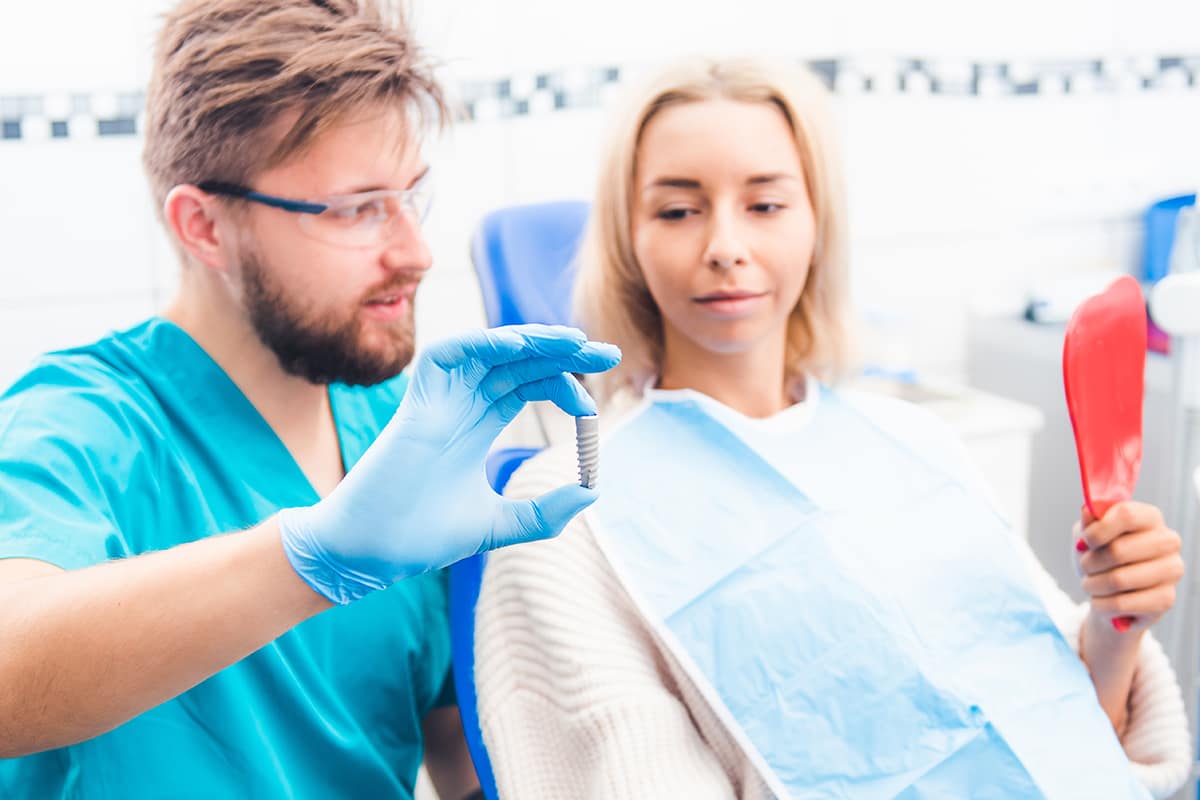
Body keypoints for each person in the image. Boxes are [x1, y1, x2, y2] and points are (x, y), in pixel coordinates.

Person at [475, 57, 1191, 798]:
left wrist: (1116, 624)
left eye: (766, 205)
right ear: (630, 241)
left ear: (819, 224)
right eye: (678, 210)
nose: (725, 245)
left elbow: (1076, 745)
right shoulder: (564, 513)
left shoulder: (916, 445)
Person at [0, 2, 619, 798]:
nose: (416, 253)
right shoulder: (79, 423)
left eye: (412, 197)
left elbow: (466, 765)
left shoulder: (400, 437)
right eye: (358, 210)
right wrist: (311, 558)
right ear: (204, 228)